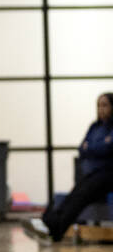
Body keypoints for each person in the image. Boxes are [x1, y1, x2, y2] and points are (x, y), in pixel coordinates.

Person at [23, 93, 113, 243]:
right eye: (98, 105)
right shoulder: (94, 126)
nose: (101, 109)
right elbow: (83, 148)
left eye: (105, 105)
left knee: (81, 196)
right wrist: (100, 145)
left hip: (107, 174)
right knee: (71, 195)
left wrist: (92, 147)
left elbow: (104, 148)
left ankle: (55, 231)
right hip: (92, 174)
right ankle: (46, 224)